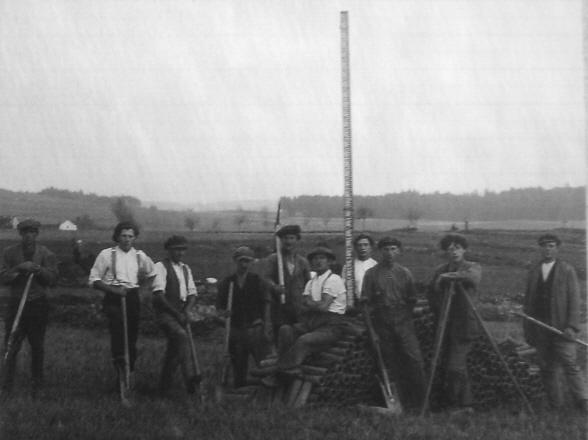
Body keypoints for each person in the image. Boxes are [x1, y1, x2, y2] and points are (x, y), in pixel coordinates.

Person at [263, 245, 346, 386]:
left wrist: (311, 304)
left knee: (303, 340)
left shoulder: (334, 279)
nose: (318, 262)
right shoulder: (311, 282)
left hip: (331, 327)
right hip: (312, 323)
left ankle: (279, 372)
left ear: (330, 262)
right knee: (285, 330)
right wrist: (313, 304)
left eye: (322, 258)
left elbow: (324, 307)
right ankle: (290, 367)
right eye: (315, 259)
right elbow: (303, 305)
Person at [523, 233, 588, 411]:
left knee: (570, 364)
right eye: (544, 246)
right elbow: (528, 300)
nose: (547, 249)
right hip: (540, 328)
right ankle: (555, 404)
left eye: (551, 246)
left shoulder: (566, 270)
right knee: (547, 367)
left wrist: (572, 326)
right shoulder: (534, 270)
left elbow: (575, 301)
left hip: (561, 328)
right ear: (540, 248)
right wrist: (529, 329)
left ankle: (583, 401)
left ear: (557, 248)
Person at [88, 221, 156, 390]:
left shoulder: (140, 256)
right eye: (124, 236)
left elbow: (153, 274)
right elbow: (93, 280)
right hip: (113, 297)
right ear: (117, 236)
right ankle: (119, 370)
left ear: (135, 238)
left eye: (130, 236)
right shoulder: (106, 254)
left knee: (131, 337)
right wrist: (113, 290)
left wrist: (142, 292)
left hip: (132, 297)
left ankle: (129, 373)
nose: (127, 239)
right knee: (118, 331)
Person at [361, 236, 425, 410]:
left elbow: (412, 299)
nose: (389, 253)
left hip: (403, 321)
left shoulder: (404, 273)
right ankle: (398, 403)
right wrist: (372, 331)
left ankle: (420, 404)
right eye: (386, 249)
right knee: (390, 362)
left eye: (393, 249)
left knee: (414, 360)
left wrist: (404, 317)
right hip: (382, 321)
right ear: (380, 251)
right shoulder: (371, 274)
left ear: (399, 251)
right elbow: (365, 304)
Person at [0, 219, 58, 398]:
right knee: (11, 344)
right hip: (16, 304)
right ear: (20, 234)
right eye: (25, 232)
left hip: (38, 304)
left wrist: (39, 270)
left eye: (32, 232)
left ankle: (37, 385)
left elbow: (52, 279)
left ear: (37, 234)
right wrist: (19, 267)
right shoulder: (9, 253)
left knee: (37, 346)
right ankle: (6, 385)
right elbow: (3, 277)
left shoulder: (46, 254)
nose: (29, 236)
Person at [427, 233, 481, 411]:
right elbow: (432, 292)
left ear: (464, 249)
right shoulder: (439, 270)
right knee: (457, 365)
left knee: (454, 367)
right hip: (445, 325)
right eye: (450, 249)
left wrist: (447, 277)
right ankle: (466, 405)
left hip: (465, 325)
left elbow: (472, 278)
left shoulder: (472, 266)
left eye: (457, 248)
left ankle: (452, 405)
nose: (454, 252)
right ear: (445, 252)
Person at [151, 235, 200, 397]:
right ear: (169, 250)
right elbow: (159, 296)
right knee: (181, 336)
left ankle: (162, 390)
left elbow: (192, 294)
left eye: (183, 249)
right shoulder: (160, 267)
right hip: (166, 314)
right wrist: (176, 313)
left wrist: (186, 310)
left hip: (181, 313)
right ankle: (191, 380)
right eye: (176, 249)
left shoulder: (186, 269)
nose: (180, 253)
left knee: (174, 352)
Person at [217, 246, 271, 388]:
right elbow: (219, 307)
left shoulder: (257, 281)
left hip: (255, 327)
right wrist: (223, 314)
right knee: (238, 361)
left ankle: (265, 387)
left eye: (247, 261)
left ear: (252, 262)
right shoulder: (227, 282)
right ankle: (239, 388)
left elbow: (266, 303)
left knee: (263, 361)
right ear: (235, 261)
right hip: (236, 329)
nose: (244, 264)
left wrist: (266, 325)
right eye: (241, 261)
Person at [263, 224, 311, 338]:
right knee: (281, 337)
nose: (288, 241)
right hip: (280, 307)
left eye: (292, 238)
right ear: (281, 240)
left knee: (298, 338)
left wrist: (307, 302)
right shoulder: (274, 259)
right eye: (285, 238)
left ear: (297, 240)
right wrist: (274, 287)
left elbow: (309, 283)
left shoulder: (303, 262)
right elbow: (266, 278)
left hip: (298, 308)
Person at [342, 233, 378, 311]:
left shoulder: (376, 266)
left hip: (372, 304)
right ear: (355, 248)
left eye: (365, 245)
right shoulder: (348, 266)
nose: (362, 248)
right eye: (359, 245)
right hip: (355, 304)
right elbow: (344, 286)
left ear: (371, 247)